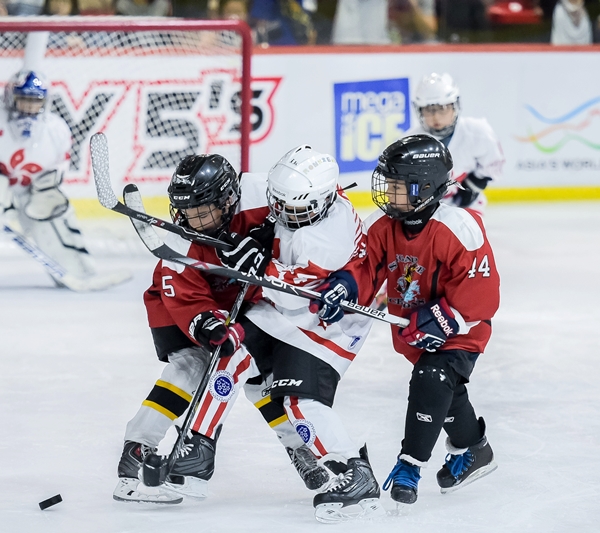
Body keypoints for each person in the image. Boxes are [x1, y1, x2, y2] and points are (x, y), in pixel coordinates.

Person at [161, 146, 384, 523]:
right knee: (230, 352)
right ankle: (198, 449)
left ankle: (353, 472)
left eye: (290, 210)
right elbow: (276, 226)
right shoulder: (306, 198)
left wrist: (262, 265)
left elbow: (299, 298)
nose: (280, 214)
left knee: (298, 404)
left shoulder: (325, 240)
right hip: (284, 309)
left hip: (330, 322)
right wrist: (261, 241)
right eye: (276, 204)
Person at [114, 154, 322, 504]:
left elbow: (307, 215)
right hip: (179, 307)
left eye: (201, 212)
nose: (191, 221)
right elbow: (185, 296)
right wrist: (209, 325)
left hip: (250, 303)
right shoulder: (178, 243)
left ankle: (300, 449)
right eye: (185, 212)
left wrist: (267, 244)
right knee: (190, 367)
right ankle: (136, 453)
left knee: (261, 381)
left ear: (228, 199)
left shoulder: (261, 193)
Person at [312, 135, 500, 508]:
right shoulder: (382, 225)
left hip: (462, 329)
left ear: (425, 188)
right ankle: (474, 450)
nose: (388, 194)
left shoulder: (460, 228)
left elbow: (483, 295)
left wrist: (446, 318)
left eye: (398, 187)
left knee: (432, 378)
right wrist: (345, 286)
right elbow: (365, 267)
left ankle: (409, 466)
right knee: (445, 390)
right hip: (414, 324)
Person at [0, 70, 123, 290]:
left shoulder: (56, 128)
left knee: (57, 221)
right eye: (24, 99)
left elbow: (61, 163)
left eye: (35, 100)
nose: (29, 105)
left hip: (37, 191)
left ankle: (78, 271)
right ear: (11, 97)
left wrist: (48, 186)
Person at [408, 73, 504, 214]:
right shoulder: (409, 143)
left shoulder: (477, 132)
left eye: (442, 108)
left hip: (469, 208)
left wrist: (473, 185)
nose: (436, 117)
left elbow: (494, 164)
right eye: (429, 110)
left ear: (455, 106)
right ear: (419, 110)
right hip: (426, 213)